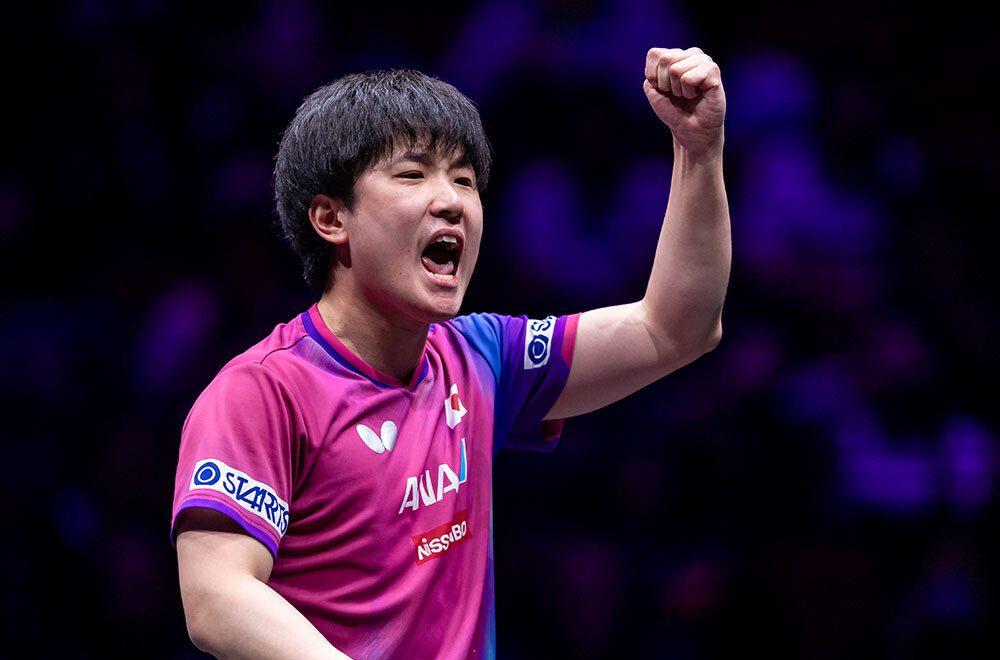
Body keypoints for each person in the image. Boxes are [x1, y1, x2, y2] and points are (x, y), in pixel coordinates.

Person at [172, 46, 730, 659]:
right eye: (413, 175)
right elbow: (217, 597)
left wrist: (698, 149)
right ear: (331, 219)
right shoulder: (263, 391)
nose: (452, 202)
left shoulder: (482, 359)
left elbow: (674, 328)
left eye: (464, 180)